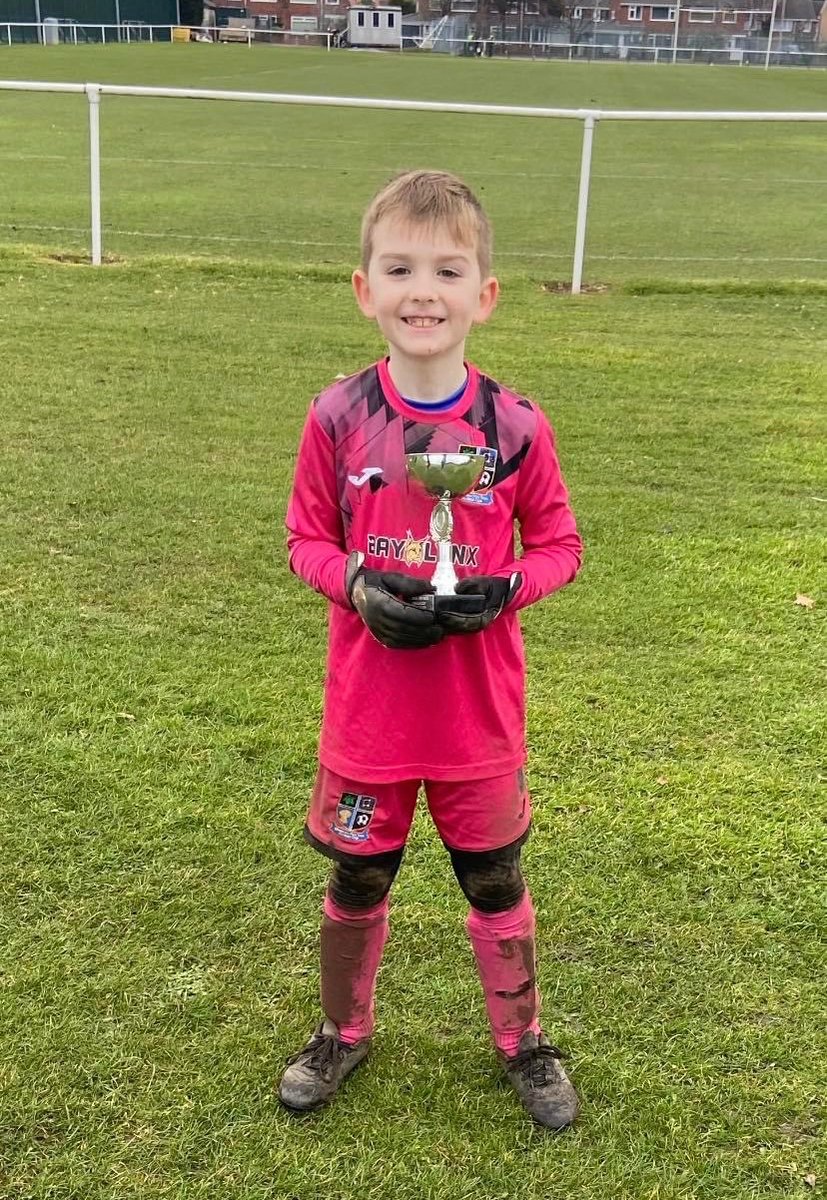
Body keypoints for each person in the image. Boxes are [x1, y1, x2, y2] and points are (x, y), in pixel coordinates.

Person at [281, 170, 583, 1130]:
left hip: (475, 722)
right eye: (399, 267)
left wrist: (504, 590)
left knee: (495, 881)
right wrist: (360, 587)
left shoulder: (516, 427)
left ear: (482, 296)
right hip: (367, 720)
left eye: (447, 270)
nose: (423, 290)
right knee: (356, 880)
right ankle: (342, 1031)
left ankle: (524, 1043)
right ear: (363, 287)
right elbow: (305, 543)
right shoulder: (336, 417)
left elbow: (561, 547)